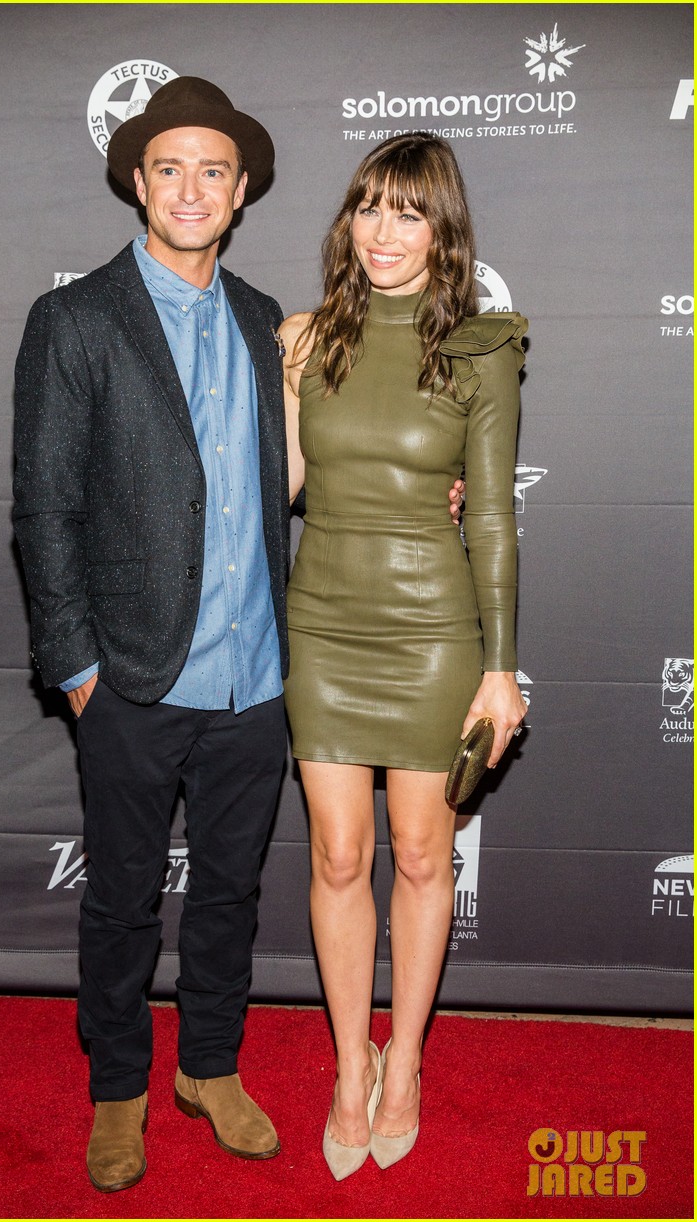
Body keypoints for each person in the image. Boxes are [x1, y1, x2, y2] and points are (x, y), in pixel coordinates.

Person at [13, 80, 464, 1192]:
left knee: (227, 892)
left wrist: (427, 493)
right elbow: (42, 508)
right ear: (136, 181)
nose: (191, 189)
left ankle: (209, 1066)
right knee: (123, 896)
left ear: (244, 189)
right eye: (169, 167)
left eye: (213, 170)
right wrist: (76, 671)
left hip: (261, 678)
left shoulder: (279, 326)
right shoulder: (74, 320)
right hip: (128, 675)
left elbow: (325, 469)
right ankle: (121, 1084)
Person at [280, 133, 528, 1180]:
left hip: (433, 632)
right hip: (323, 624)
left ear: (443, 228)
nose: (383, 232)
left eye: (408, 212)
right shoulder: (300, 340)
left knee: (423, 857)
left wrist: (500, 667)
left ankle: (408, 1060)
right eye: (368, 208)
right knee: (338, 857)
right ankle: (348, 1066)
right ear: (347, 221)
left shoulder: (479, 348)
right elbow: (278, 491)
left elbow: (497, 518)